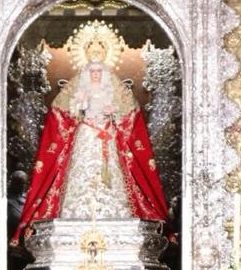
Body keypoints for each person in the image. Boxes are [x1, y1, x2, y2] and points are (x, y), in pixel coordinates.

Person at [14, 20, 169, 237]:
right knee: (82, 172)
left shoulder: (115, 91)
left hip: (107, 137)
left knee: (113, 175)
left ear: (104, 72)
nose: (95, 74)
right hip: (86, 134)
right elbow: (64, 115)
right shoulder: (77, 91)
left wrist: (112, 114)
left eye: (99, 71)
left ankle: (114, 213)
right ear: (87, 72)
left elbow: (128, 118)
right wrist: (80, 106)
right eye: (92, 71)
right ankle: (76, 214)